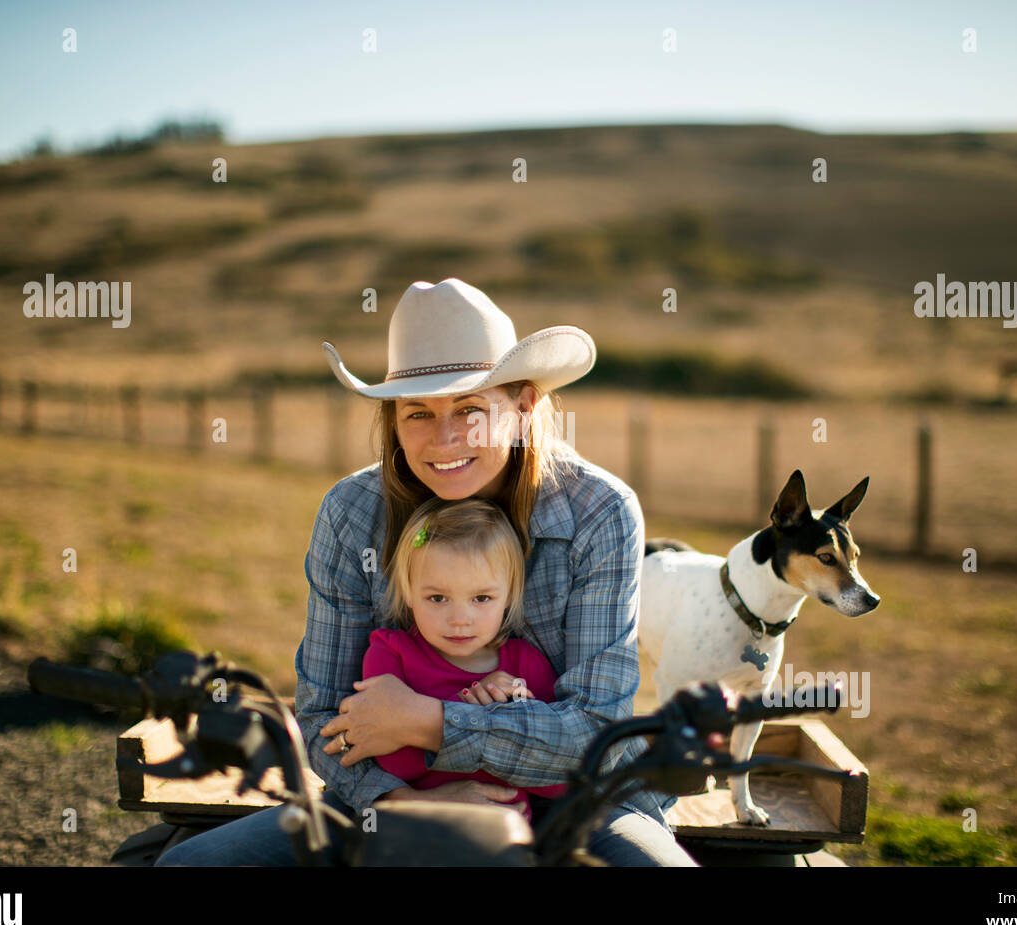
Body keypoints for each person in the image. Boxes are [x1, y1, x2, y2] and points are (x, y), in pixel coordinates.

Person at [158, 277, 696, 866]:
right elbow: (321, 715)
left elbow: (597, 733)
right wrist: (404, 802)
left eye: (469, 408)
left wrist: (433, 724)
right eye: (418, 413)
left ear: (523, 408)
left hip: (581, 801)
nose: (444, 440)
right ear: (392, 419)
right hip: (396, 793)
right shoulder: (352, 513)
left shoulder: (600, 512)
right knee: (190, 866)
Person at [364, 496, 565, 822]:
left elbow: (557, 781)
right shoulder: (390, 653)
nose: (460, 619)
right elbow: (394, 762)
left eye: (481, 598)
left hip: (503, 844)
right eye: (438, 598)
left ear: (509, 596)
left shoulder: (524, 665)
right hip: (411, 835)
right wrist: (472, 710)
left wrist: (508, 711)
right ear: (409, 592)